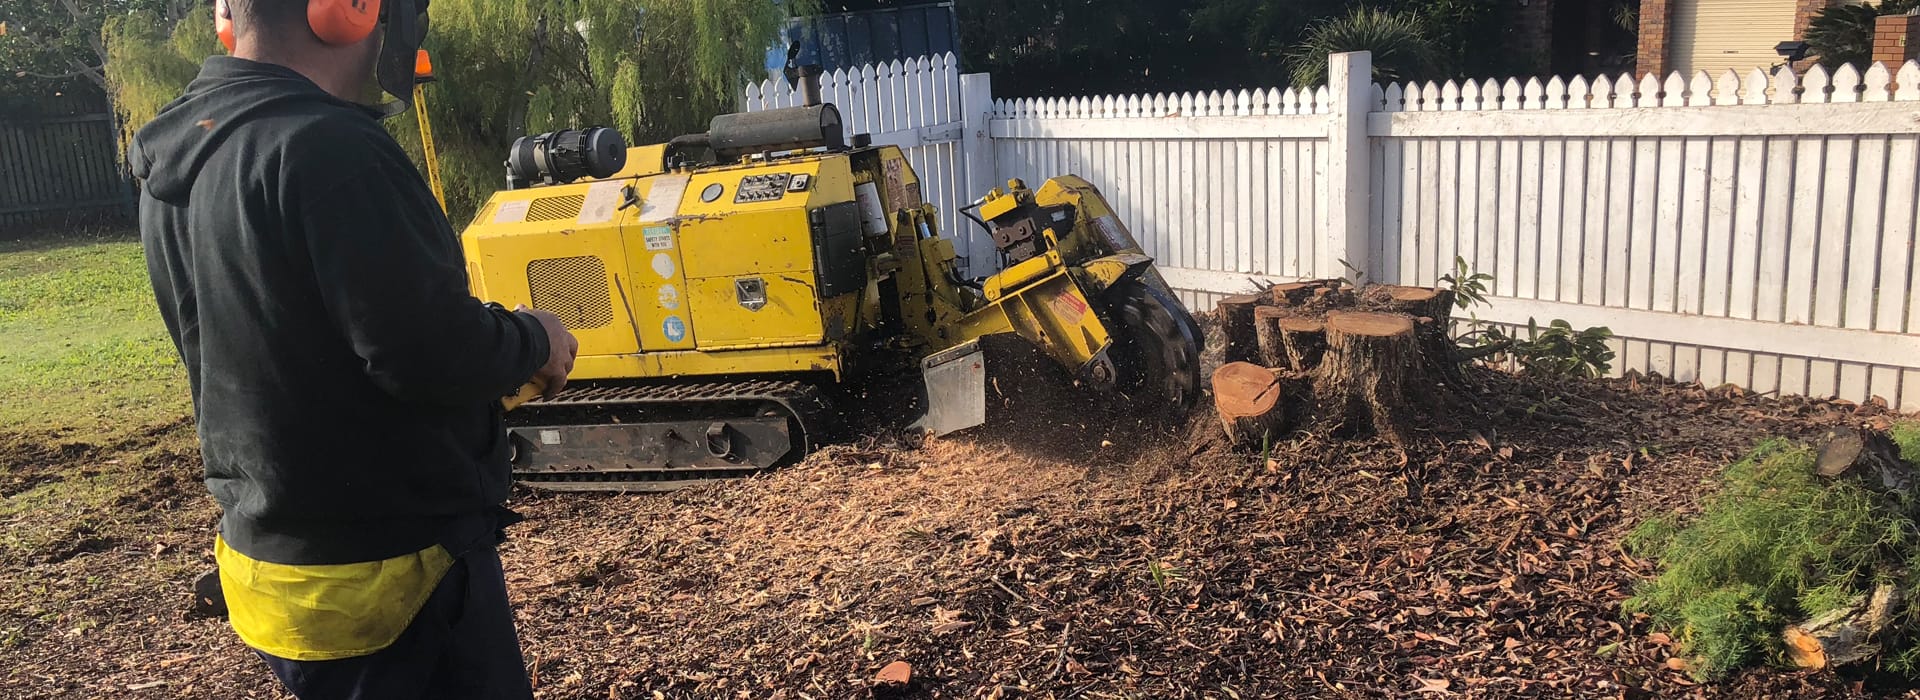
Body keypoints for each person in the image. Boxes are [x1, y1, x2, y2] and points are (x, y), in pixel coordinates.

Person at [130, 0, 576, 696]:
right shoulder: (328, 146)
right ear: (349, 9)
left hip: (274, 565)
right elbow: (427, 352)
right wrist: (534, 340)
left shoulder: (181, 149)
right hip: (387, 574)